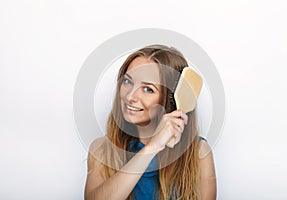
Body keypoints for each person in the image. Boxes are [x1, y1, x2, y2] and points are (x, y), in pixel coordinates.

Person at [84, 45, 216, 200]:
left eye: (148, 89)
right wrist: (152, 147)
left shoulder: (199, 153)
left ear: (170, 101)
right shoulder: (102, 150)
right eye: (127, 81)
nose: (130, 96)